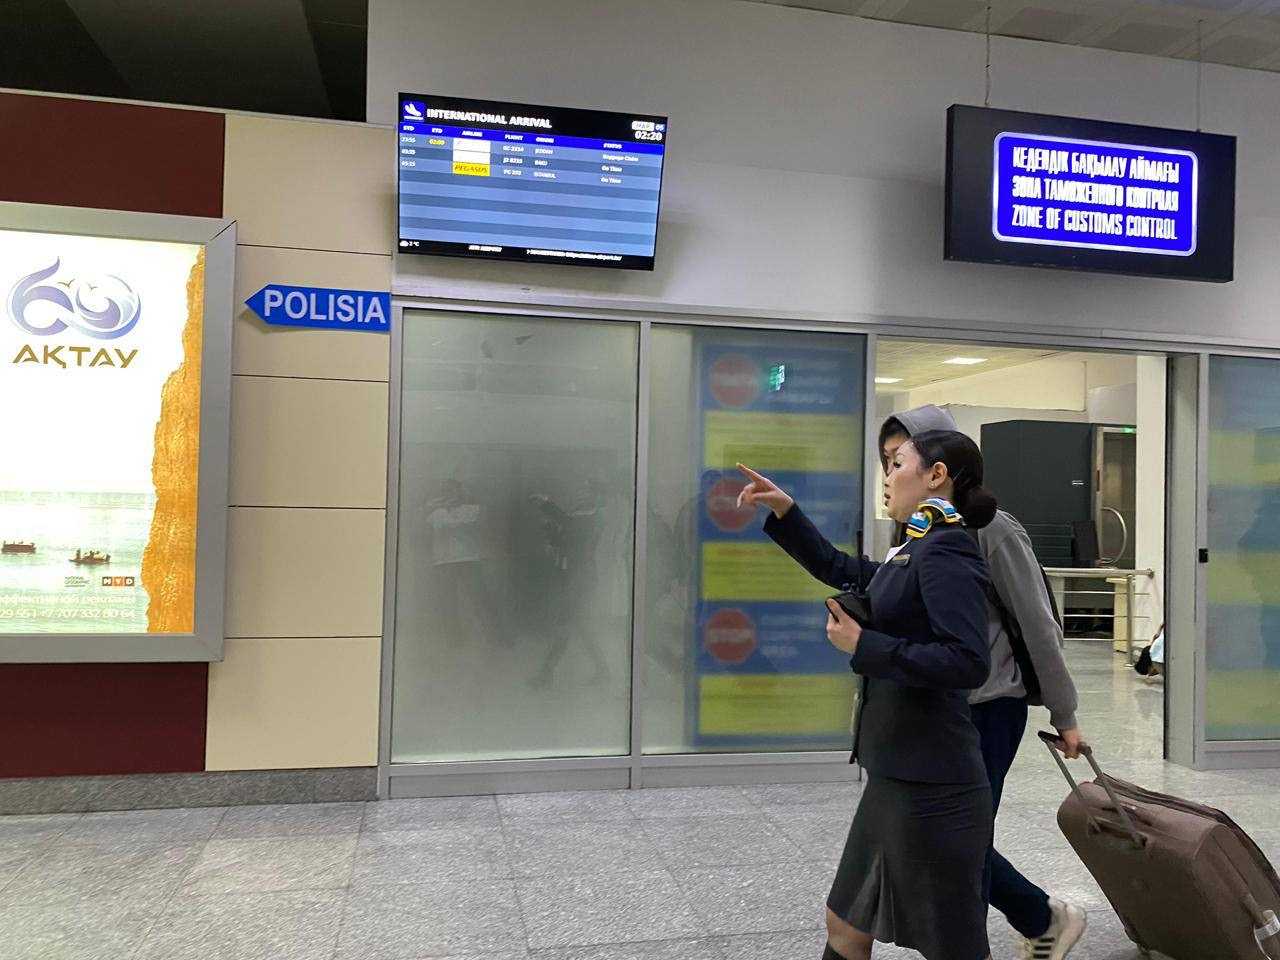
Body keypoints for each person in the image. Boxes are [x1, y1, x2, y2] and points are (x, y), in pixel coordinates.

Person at [738, 429, 997, 960]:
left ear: (936, 475)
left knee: (953, 945)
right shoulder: (919, 546)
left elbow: (968, 661)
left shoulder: (948, 550)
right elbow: (845, 570)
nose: (887, 477)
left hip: (933, 783)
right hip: (897, 770)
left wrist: (866, 645)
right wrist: (787, 512)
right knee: (846, 924)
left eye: (897, 464)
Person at [879, 405, 1088, 960]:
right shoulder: (914, 529)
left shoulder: (992, 528)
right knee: (945, 839)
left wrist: (1064, 713)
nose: (891, 472)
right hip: (933, 709)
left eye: (900, 458)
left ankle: (1037, 920)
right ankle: (1039, 917)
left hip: (988, 708)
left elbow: (1038, 623)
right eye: (888, 460)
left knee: (958, 841)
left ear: (937, 464)